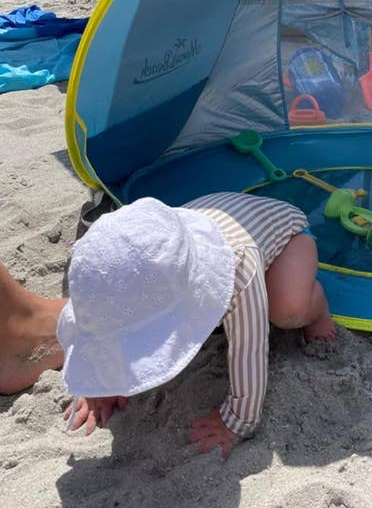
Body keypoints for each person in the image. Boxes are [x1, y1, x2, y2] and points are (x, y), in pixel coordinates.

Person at [0, 192, 336, 458]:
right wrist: (101, 382)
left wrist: (237, 421)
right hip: (204, 219)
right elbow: (101, 328)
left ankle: (317, 307)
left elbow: (250, 348)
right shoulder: (113, 273)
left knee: (287, 310)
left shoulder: (239, 270)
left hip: (282, 230)